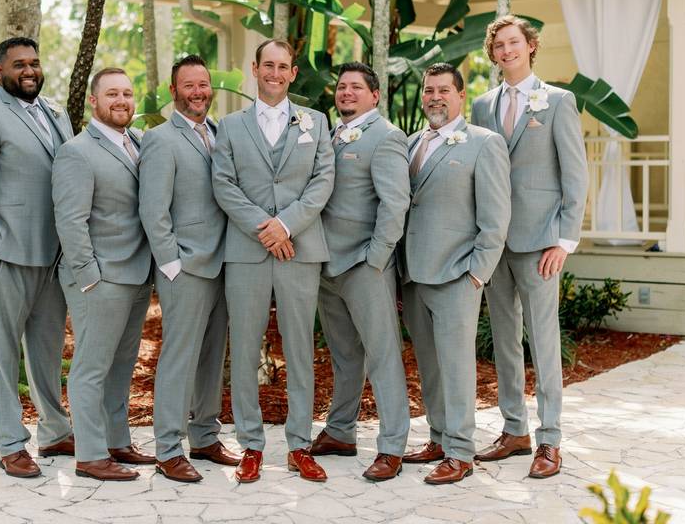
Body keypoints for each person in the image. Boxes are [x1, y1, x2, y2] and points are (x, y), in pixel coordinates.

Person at [211, 39, 335, 483]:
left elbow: (323, 181)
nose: (276, 73)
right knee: (244, 349)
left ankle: (300, 444)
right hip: (246, 251)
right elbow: (223, 184)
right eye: (269, 65)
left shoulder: (316, 122)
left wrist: (287, 226)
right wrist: (265, 228)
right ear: (255, 69)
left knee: (300, 348)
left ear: (293, 73)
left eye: (284, 67)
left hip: (299, 249)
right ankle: (251, 445)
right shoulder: (229, 126)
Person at [470, 15, 588, 479]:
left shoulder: (558, 101)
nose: (506, 51)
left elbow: (575, 174)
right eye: (498, 45)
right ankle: (514, 429)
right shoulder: (481, 106)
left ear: (530, 46)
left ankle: (550, 439)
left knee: (543, 341)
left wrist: (565, 240)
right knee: (503, 340)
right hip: (495, 243)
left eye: (513, 42)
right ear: (492, 52)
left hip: (541, 244)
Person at [0, 37, 74, 478]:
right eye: (19, 64)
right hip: (8, 254)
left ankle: (56, 431)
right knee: (4, 354)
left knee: (47, 349)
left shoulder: (56, 113)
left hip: (55, 254)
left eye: (35, 63)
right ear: (0, 70)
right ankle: (9, 441)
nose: (29, 70)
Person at [400, 63, 511, 484]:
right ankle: (439, 437)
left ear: (461, 95)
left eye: (444, 90)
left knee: (457, 365)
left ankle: (461, 452)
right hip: (413, 275)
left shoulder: (484, 144)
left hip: (457, 277)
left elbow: (495, 218)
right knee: (430, 365)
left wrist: (477, 275)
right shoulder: (411, 143)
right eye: (429, 90)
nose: (435, 97)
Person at [139, 55, 240, 483]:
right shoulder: (161, 139)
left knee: (212, 356)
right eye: (189, 85)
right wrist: (171, 264)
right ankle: (167, 447)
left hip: (223, 263)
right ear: (173, 92)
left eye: (203, 84)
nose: (198, 92)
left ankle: (204, 436)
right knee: (179, 358)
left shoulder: (219, 132)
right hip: (186, 266)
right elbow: (153, 209)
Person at [309, 62, 411, 482]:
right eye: (342, 87)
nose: (346, 92)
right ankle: (340, 430)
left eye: (356, 87)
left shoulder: (386, 137)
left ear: (375, 95)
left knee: (383, 355)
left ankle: (392, 447)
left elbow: (394, 204)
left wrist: (377, 258)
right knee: (344, 354)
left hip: (365, 264)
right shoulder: (327, 134)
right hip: (325, 263)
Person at [52, 68, 155, 481]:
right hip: (100, 277)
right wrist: (89, 276)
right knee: (91, 368)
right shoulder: (77, 152)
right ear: (94, 101)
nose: (122, 100)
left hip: (136, 274)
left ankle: (117, 441)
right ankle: (91, 455)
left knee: (121, 365)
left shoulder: (141, 144)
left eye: (128, 93)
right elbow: (70, 220)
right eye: (112, 93)